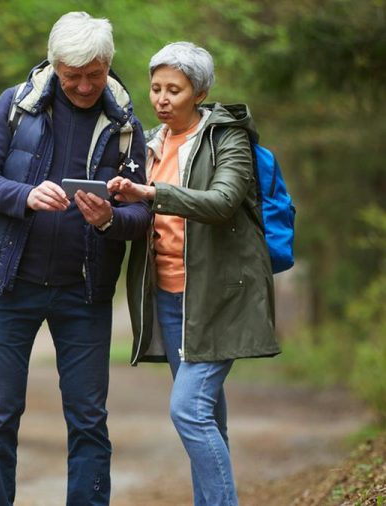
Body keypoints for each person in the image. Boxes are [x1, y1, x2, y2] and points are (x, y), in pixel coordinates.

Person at [0, 12, 150, 506]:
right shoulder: (15, 106)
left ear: (108, 65)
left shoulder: (127, 125)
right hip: (8, 287)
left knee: (89, 421)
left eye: (96, 74)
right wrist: (24, 195)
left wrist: (110, 219)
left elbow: (143, 214)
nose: (85, 86)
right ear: (55, 65)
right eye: (73, 76)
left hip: (83, 293)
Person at [108, 41, 281, 505]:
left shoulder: (228, 137)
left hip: (218, 294)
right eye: (156, 88)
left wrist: (151, 193)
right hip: (167, 295)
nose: (162, 99)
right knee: (207, 415)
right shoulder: (147, 143)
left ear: (199, 92)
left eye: (174, 90)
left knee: (187, 411)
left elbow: (223, 203)